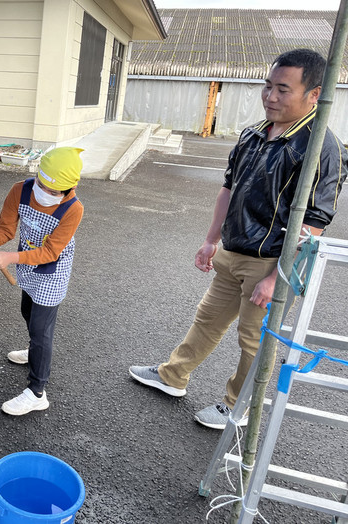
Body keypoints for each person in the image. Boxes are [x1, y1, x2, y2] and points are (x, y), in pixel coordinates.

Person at [129, 49, 348, 430]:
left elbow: (315, 221)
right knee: (207, 319)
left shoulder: (321, 148)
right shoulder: (254, 133)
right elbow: (229, 188)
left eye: (283, 89)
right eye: (267, 86)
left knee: (255, 340)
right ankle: (172, 376)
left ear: (314, 94)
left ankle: (238, 407)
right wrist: (211, 240)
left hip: (272, 261)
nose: (270, 96)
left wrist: (277, 277)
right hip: (233, 251)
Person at [0, 147, 84, 416]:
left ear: (69, 189)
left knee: (41, 330)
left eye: (53, 191)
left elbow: (50, 252)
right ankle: (35, 350)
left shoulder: (73, 209)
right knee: (27, 311)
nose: (44, 192)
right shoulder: (21, 190)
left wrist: (10, 257)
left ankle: (37, 392)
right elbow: (6, 228)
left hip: (52, 269)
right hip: (28, 263)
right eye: (41, 184)